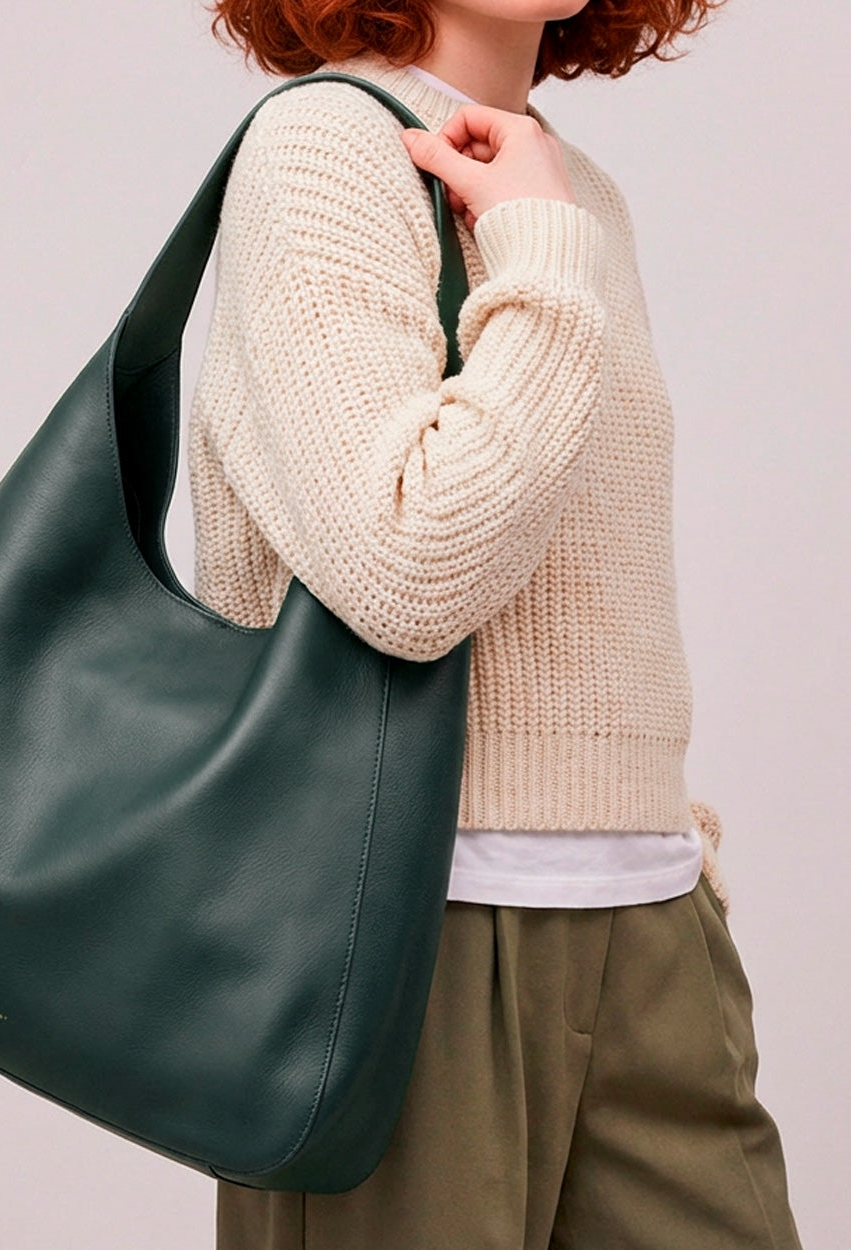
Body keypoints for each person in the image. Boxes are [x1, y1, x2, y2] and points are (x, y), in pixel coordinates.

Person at [190, 1, 805, 1246]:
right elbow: (410, 568)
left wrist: (659, 874)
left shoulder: (569, 190)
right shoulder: (323, 148)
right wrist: (534, 244)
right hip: (404, 927)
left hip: (646, 922)